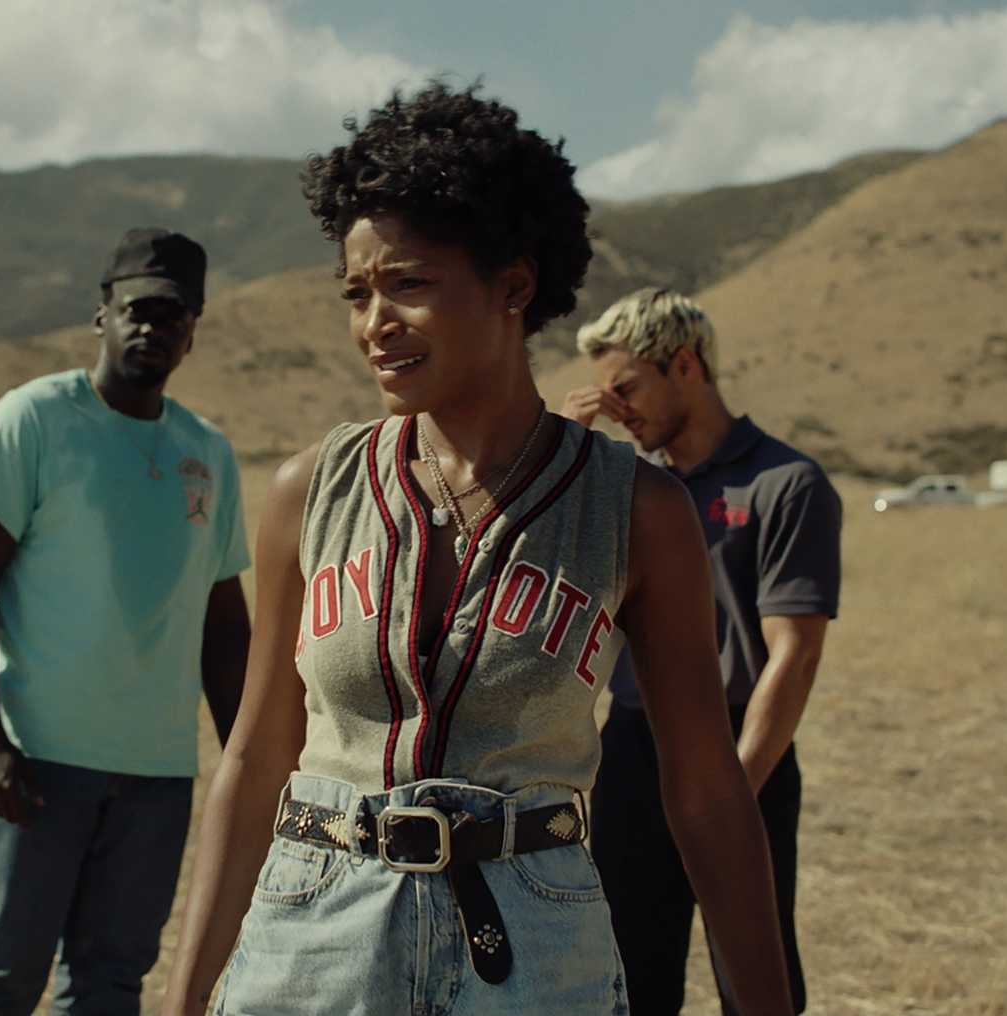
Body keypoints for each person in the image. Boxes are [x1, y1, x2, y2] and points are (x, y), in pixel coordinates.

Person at [160, 82, 795, 1016]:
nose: (373, 322)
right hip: (314, 933)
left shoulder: (636, 511)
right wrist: (181, 999)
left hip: (533, 944)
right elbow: (257, 759)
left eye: (407, 283)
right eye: (356, 291)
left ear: (513, 284)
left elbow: (703, 787)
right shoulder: (311, 492)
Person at [0, 227, 252, 1016]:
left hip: (157, 774)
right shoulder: (33, 418)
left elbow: (224, 627)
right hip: (41, 761)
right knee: (0, 972)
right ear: (100, 315)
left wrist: (248, 762)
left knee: (111, 981)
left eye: (174, 315)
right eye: (137, 309)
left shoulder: (206, 451)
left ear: (194, 328)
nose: (154, 328)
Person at [564, 288, 841, 1016]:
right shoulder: (628, 491)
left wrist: (732, 792)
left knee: (753, 982)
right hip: (631, 750)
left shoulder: (787, 483)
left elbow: (795, 656)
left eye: (627, 387)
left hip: (740, 746)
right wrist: (561, 459)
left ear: (685, 365)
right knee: (624, 979)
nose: (618, 409)